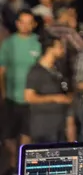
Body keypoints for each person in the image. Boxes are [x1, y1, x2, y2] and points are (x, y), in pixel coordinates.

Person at [0, 10, 40, 164]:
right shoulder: (9, 43)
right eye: (22, 22)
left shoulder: (38, 42)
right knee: (8, 135)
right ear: (17, 24)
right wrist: (3, 93)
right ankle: (12, 162)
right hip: (11, 97)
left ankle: (23, 165)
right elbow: (1, 70)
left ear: (34, 25)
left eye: (29, 22)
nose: (25, 25)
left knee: (27, 133)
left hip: (31, 99)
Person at [23, 34, 72, 143]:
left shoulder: (57, 69)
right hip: (44, 127)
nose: (63, 50)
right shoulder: (36, 71)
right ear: (50, 49)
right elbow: (29, 97)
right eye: (60, 47)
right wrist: (54, 98)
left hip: (59, 126)